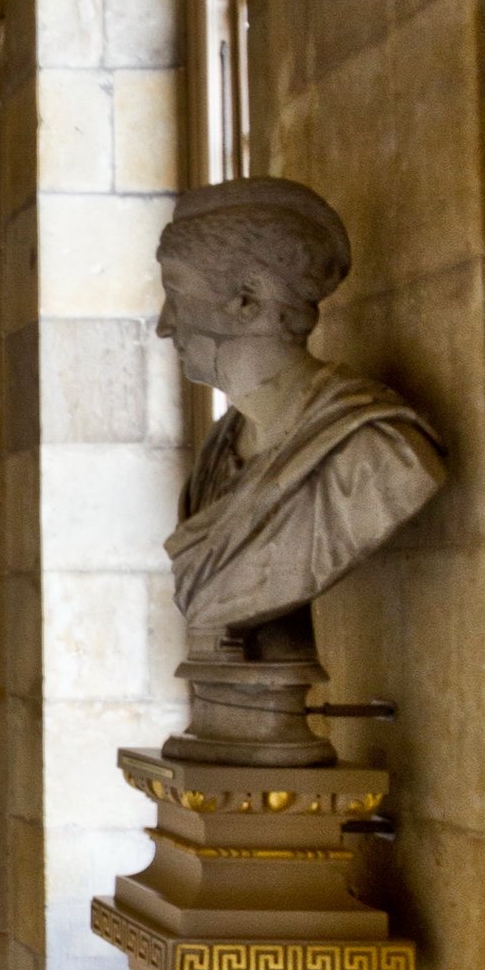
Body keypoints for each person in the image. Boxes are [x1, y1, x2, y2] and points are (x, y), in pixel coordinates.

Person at [155, 178, 445, 647]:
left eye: (176, 291)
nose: (165, 325)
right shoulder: (217, 454)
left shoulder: (373, 454)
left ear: (248, 298)